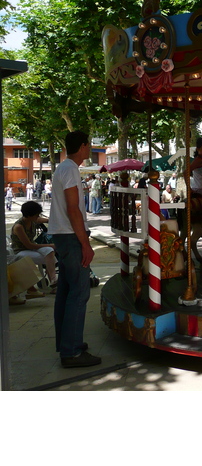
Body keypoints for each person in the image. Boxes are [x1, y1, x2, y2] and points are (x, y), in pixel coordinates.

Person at [49, 130, 101, 368]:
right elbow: (73, 209)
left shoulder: (63, 168)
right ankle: (71, 352)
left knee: (66, 293)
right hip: (70, 237)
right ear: (82, 146)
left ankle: (68, 344)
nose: (89, 149)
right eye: (88, 146)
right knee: (79, 294)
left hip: (62, 236)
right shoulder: (70, 169)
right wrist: (85, 243)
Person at [11, 200, 59, 293]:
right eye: (36, 215)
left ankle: (53, 280)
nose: (38, 217)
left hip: (32, 248)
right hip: (20, 251)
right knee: (49, 256)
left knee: (49, 251)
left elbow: (46, 220)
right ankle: (51, 283)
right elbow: (28, 245)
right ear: (29, 215)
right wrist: (51, 245)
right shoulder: (19, 227)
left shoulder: (33, 220)